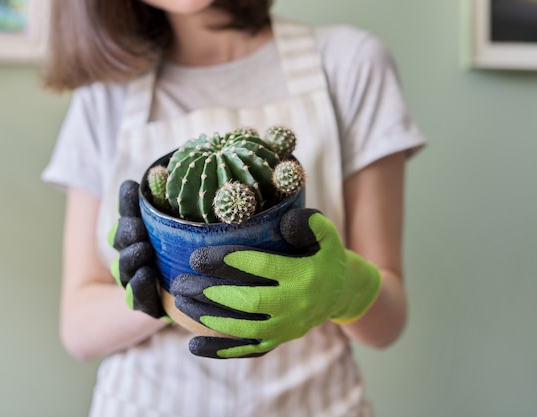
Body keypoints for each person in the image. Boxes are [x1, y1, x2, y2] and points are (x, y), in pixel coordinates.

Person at [41, 0, 426, 416]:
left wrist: (344, 289)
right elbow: (78, 329)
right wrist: (158, 297)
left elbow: (388, 323)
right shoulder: (105, 94)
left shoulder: (350, 63)